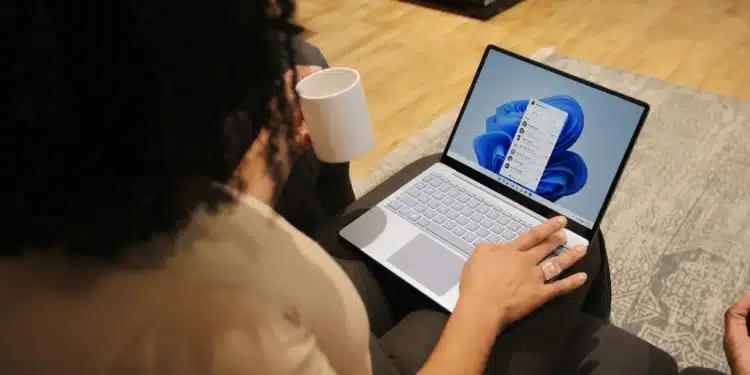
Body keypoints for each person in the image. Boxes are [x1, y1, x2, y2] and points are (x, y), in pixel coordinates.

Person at [0, 2, 726, 375]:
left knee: (435, 182)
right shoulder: (209, 327)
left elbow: (194, 229)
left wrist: (261, 162)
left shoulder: (64, 221)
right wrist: (479, 304)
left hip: (309, 308)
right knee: (571, 245)